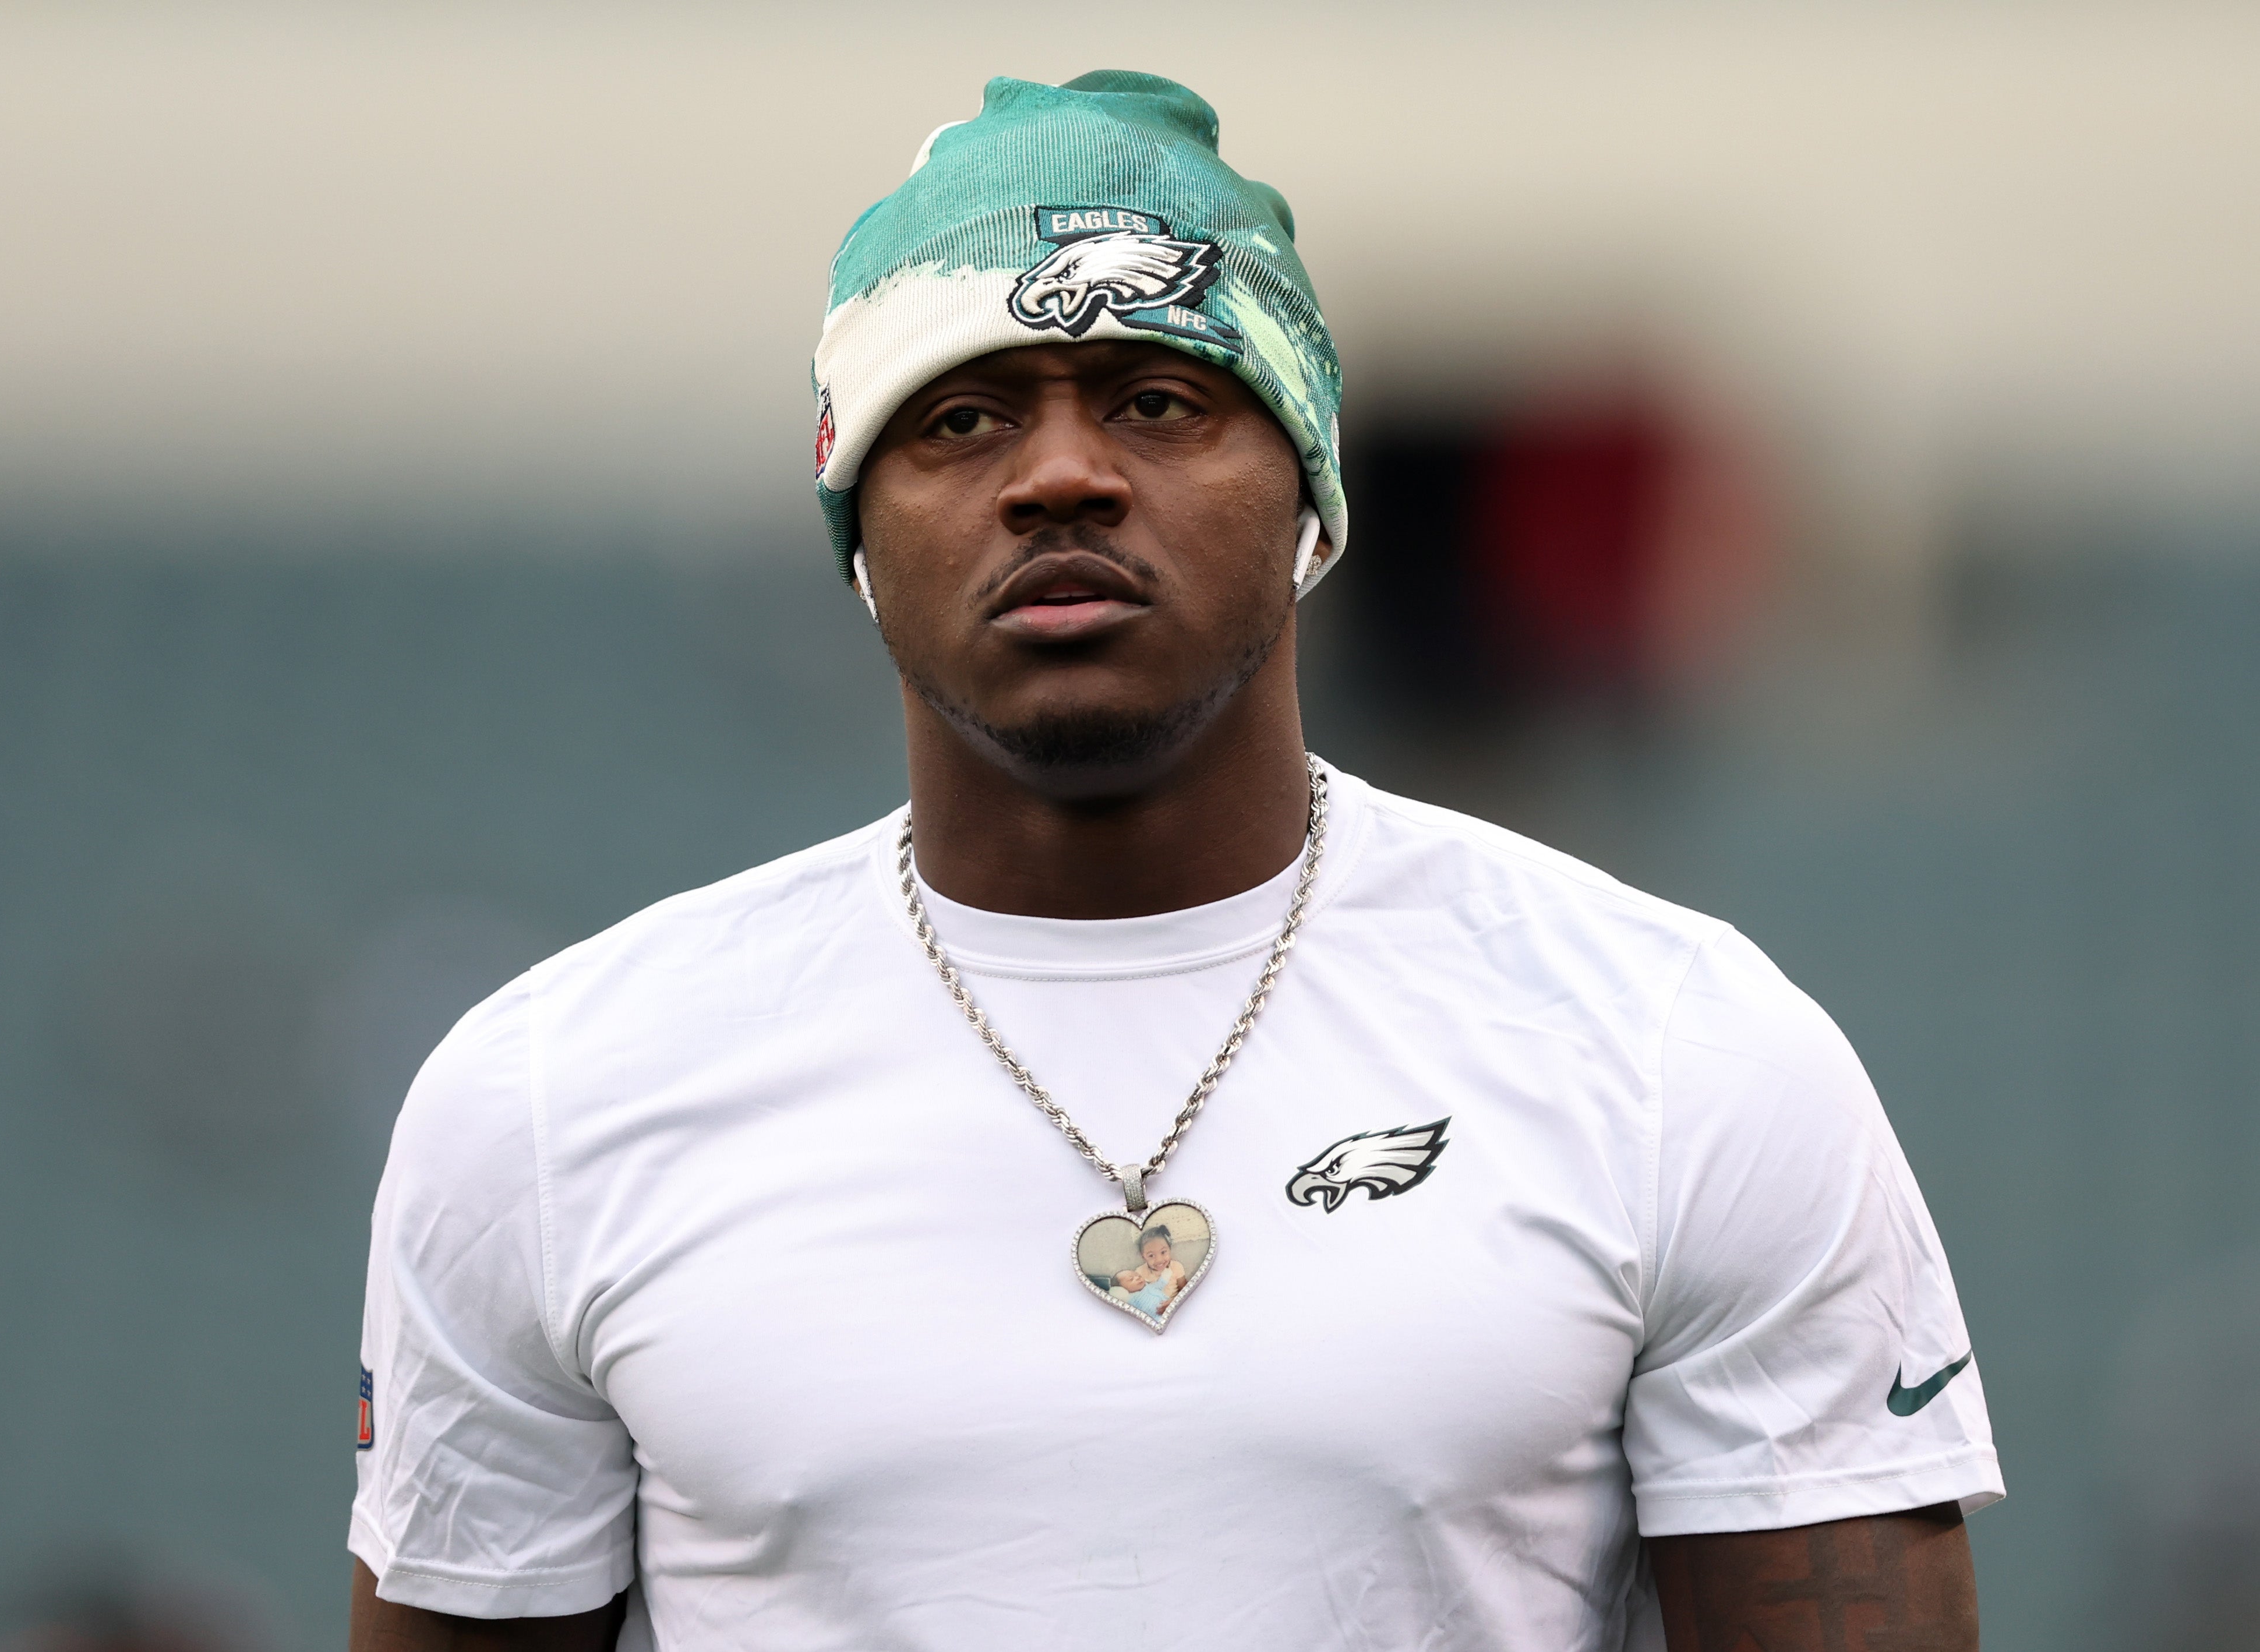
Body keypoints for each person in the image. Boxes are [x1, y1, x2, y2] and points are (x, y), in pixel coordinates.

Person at [348, 71, 2000, 1651]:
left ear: (1312, 497)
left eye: (1159, 399)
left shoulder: (1674, 1048)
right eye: (963, 416)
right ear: (858, 536)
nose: (1061, 473)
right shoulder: (558, 1096)